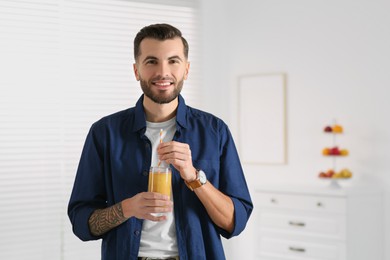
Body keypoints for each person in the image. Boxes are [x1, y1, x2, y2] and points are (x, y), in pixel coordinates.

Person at [68, 23, 253, 260]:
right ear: (137, 71)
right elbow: (82, 223)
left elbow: (235, 222)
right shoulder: (104, 132)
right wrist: (127, 208)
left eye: (173, 61)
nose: (163, 72)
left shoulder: (215, 131)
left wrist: (194, 177)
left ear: (186, 69)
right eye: (151, 61)